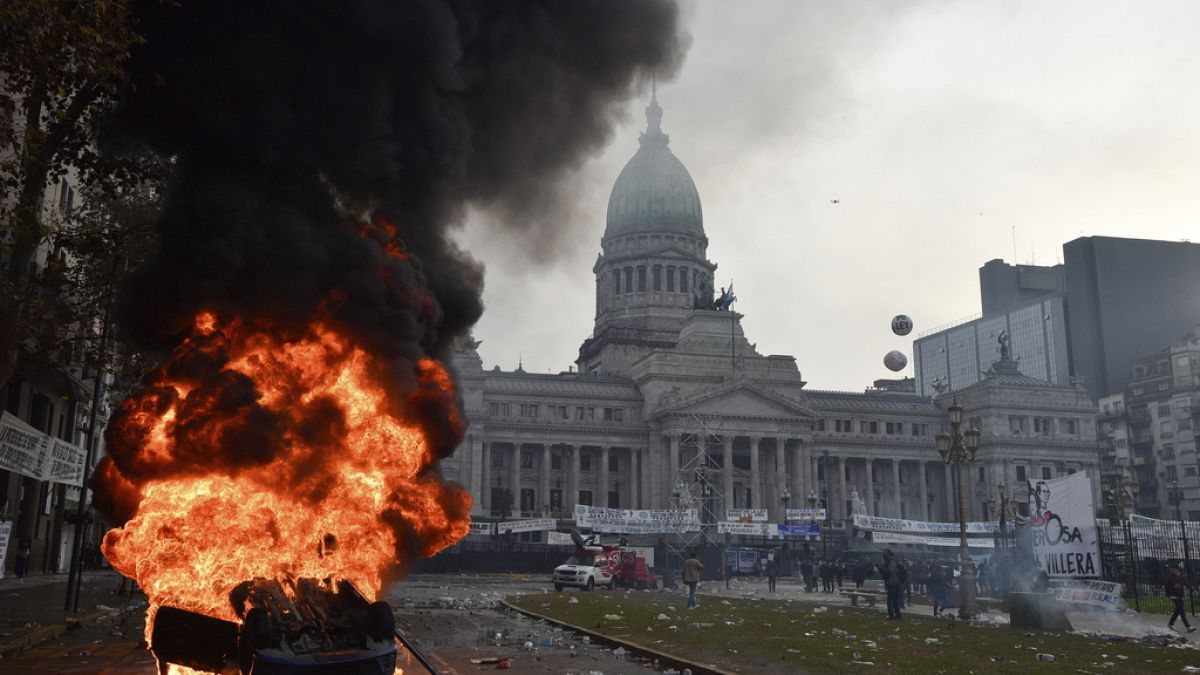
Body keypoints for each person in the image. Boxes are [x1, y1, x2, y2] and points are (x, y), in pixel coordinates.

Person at [1166, 566, 1197, 632]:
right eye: (1171, 570)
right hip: (1174, 596)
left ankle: (1170, 624)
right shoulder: (1169, 578)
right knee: (1181, 610)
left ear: (1178, 570)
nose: (1172, 571)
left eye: (1174, 570)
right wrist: (1173, 587)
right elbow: (1167, 587)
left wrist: (1193, 590)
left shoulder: (1182, 577)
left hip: (1181, 595)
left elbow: (1187, 584)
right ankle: (1188, 627)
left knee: (1178, 610)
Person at [876, 549, 904, 620]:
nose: (884, 555)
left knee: (891, 600)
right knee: (894, 600)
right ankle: (897, 615)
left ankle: (892, 615)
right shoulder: (891, 561)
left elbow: (890, 571)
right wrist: (880, 568)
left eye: (884, 553)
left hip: (893, 582)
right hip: (894, 582)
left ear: (888, 554)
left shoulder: (892, 561)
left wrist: (882, 568)